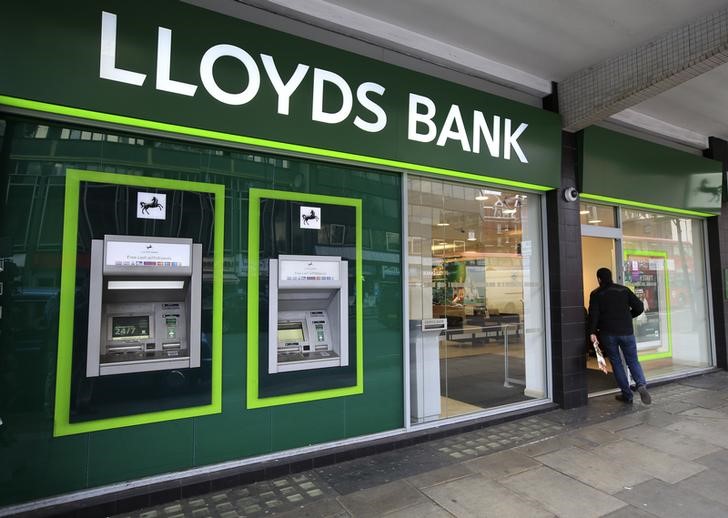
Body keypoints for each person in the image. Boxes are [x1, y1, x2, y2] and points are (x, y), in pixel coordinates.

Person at [588, 267, 651, 405]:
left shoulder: (596, 294)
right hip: (626, 331)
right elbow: (639, 307)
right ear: (611, 277)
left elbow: (594, 315)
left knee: (617, 364)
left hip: (608, 333)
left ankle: (627, 395)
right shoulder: (623, 290)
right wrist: (628, 316)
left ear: (599, 279)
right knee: (632, 360)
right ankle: (640, 385)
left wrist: (592, 332)